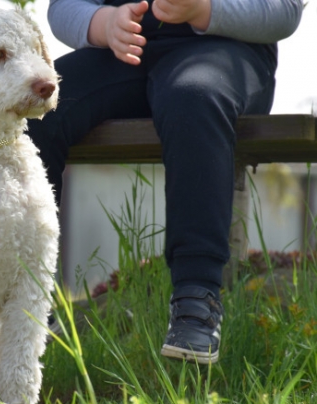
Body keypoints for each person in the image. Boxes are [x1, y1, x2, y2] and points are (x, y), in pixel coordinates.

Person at [27, 0, 303, 364]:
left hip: (227, 53)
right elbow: (64, 6)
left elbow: (285, 10)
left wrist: (204, 10)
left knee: (193, 97)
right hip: (122, 53)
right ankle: (26, 297)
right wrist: (104, 22)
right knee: (34, 103)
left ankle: (196, 300)